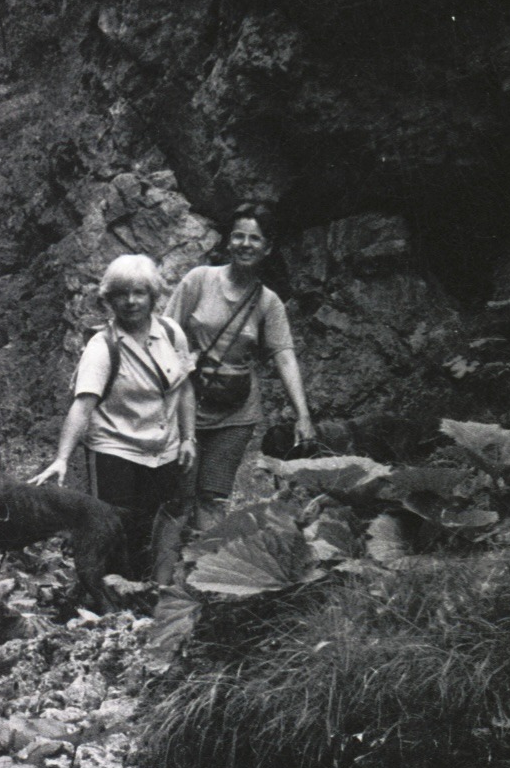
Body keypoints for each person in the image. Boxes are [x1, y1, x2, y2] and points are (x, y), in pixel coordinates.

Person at [154, 202, 314, 581]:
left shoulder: (267, 302)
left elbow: (284, 356)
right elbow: (163, 333)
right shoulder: (198, 280)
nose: (245, 244)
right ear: (229, 241)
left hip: (236, 414)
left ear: (267, 247)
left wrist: (303, 414)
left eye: (254, 238)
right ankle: (160, 581)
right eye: (238, 235)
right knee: (179, 498)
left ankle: (204, 581)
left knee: (212, 497)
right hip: (187, 406)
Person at [28, 254, 195, 580]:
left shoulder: (172, 334)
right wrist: (62, 458)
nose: (131, 302)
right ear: (109, 299)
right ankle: (112, 604)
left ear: (152, 296)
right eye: (121, 294)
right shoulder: (102, 348)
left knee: (156, 528)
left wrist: (189, 438)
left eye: (139, 292)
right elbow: (82, 405)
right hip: (116, 451)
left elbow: (185, 388)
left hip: (164, 451)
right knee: (116, 530)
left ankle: (150, 597)